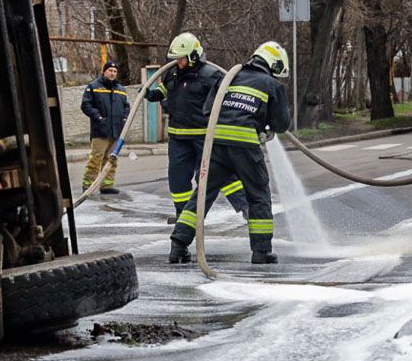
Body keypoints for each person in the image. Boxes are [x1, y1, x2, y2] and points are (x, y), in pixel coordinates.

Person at [168, 41, 292, 265]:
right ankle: (262, 251)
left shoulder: (231, 76)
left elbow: (208, 110)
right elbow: (281, 124)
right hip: (245, 146)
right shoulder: (272, 85)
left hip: (216, 145)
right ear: (274, 63)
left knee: (202, 196)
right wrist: (261, 125)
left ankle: (178, 246)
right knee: (258, 194)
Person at [146, 32, 249, 220]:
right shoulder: (173, 74)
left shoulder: (211, 76)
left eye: (181, 58)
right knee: (177, 178)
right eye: (175, 58)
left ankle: (246, 208)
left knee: (221, 175)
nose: (178, 62)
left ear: (193, 55)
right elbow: (163, 90)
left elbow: (227, 100)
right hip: (178, 138)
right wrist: (150, 94)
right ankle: (183, 215)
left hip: (205, 137)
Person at [80, 60, 129, 194]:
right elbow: (86, 105)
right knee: (96, 159)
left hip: (116, 131)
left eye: (114, 71)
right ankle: (87, 185)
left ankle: (107, 185)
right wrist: (98, 117)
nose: (112, 73)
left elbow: (126, 106)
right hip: (100, 131)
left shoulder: (121, 89)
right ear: (104, 71)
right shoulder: (93, 87)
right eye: (110, 71)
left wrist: (124, 118)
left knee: (112, 160)